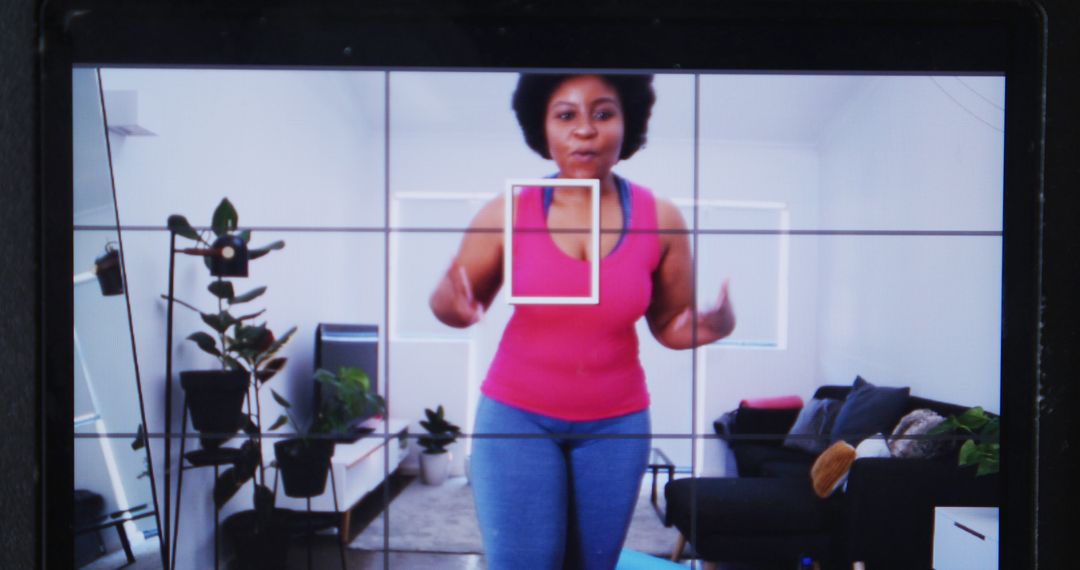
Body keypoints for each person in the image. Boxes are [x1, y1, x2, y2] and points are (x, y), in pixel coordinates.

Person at [429, 73, 736, 570]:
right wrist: (449, 301)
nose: (585, 130)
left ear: (626, 123)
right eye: (566, 115)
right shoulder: (509, 210)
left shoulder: (662, 217)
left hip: (615, 427)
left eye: (602, 113)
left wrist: (716, 324)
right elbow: (455, 307)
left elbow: (670, 326)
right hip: (516, 418)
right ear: (543, 129)